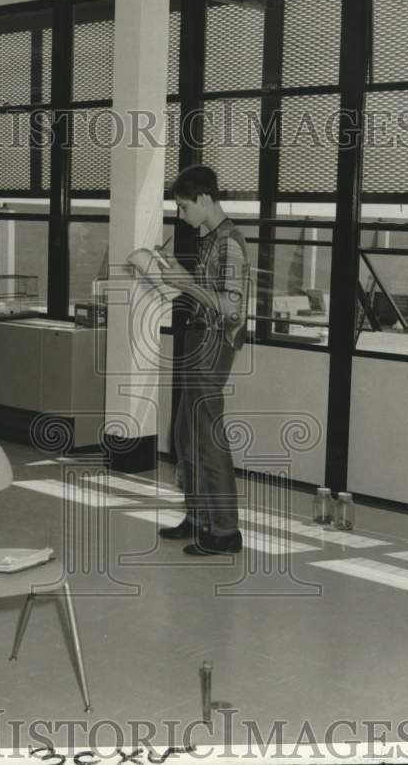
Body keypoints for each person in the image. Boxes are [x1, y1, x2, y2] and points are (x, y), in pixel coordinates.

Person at [156, 165, 250, 556]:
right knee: (185, 433)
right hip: (200, 336)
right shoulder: (211, 238)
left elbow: (231, 308)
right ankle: (197, 518)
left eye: (183, 206)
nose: (181, 215)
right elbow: (210, 290)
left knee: (208, 437)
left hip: (215, 341)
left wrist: (187, 284)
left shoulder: (228, 242)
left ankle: (225, 532)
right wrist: (179, 276)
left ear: (205, 199)